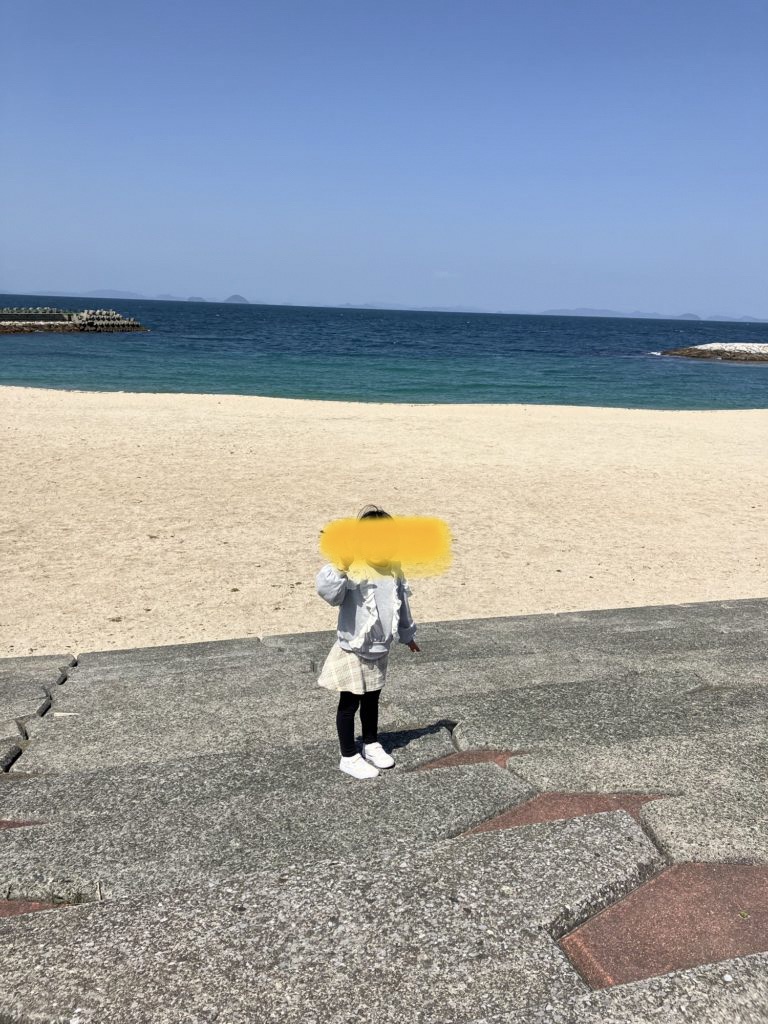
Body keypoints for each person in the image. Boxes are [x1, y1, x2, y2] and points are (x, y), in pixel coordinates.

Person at [315, 505, 420, 779]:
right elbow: (329, 594)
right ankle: (348, 756)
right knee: (349, 703)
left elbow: (402, 604)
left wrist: (407, 635)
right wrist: (340, 567)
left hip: (380, 647)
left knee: (373, 699)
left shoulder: (394, 570)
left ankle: (371, 743)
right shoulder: (354, 568)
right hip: (353, 648)